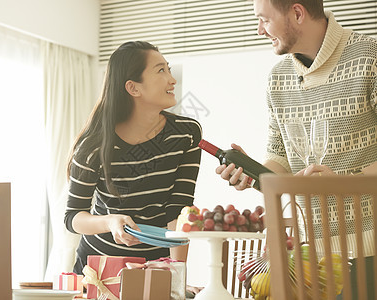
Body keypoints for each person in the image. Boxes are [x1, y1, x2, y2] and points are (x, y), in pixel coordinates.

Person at [215, 0, 376, 298]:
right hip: (307, 258)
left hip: (369, 254)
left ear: (297, 13)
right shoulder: (278, 78)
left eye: (264, 19)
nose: (259, 30)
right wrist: (253, 172)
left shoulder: (371, 57)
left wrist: (341, 185)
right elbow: (280, 159)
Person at [64, 41, 202, 284]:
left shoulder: (186, 134)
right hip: (99, 271)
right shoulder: (93, 146)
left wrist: (178, 273)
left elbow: (178, 209)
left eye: (169, 69)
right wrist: (110, 221)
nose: (172, 80)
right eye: (161, 71)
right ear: (133, 88)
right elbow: (73, 217)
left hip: (155, 268)